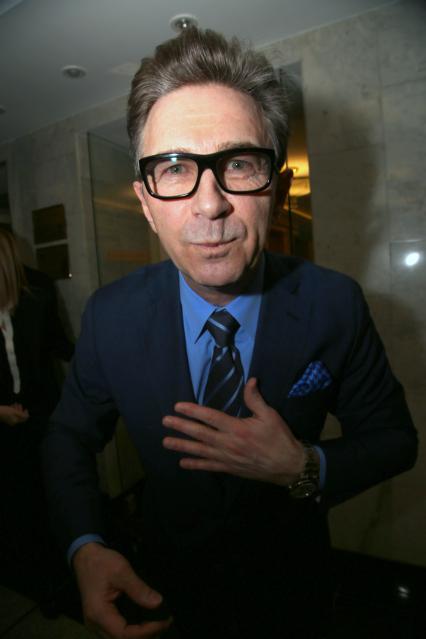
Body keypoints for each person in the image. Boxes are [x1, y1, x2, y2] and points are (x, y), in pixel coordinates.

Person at [42, 28, 417, 639]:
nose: (210, 205)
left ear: (278, 188)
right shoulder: (109, 316)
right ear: (145, 203)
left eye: (239, 164)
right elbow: (66, 438)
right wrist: (85, 546)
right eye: (174, 168)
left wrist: (302, 466)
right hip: (163, 590)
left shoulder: (334, 305)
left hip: (293, 593)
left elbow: (396, 440)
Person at [0, 228, 74, 597]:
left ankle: (57, 576)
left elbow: (60, 344)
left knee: (50, 493)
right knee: (16, 501)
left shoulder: (39, 289)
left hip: (42, 412)